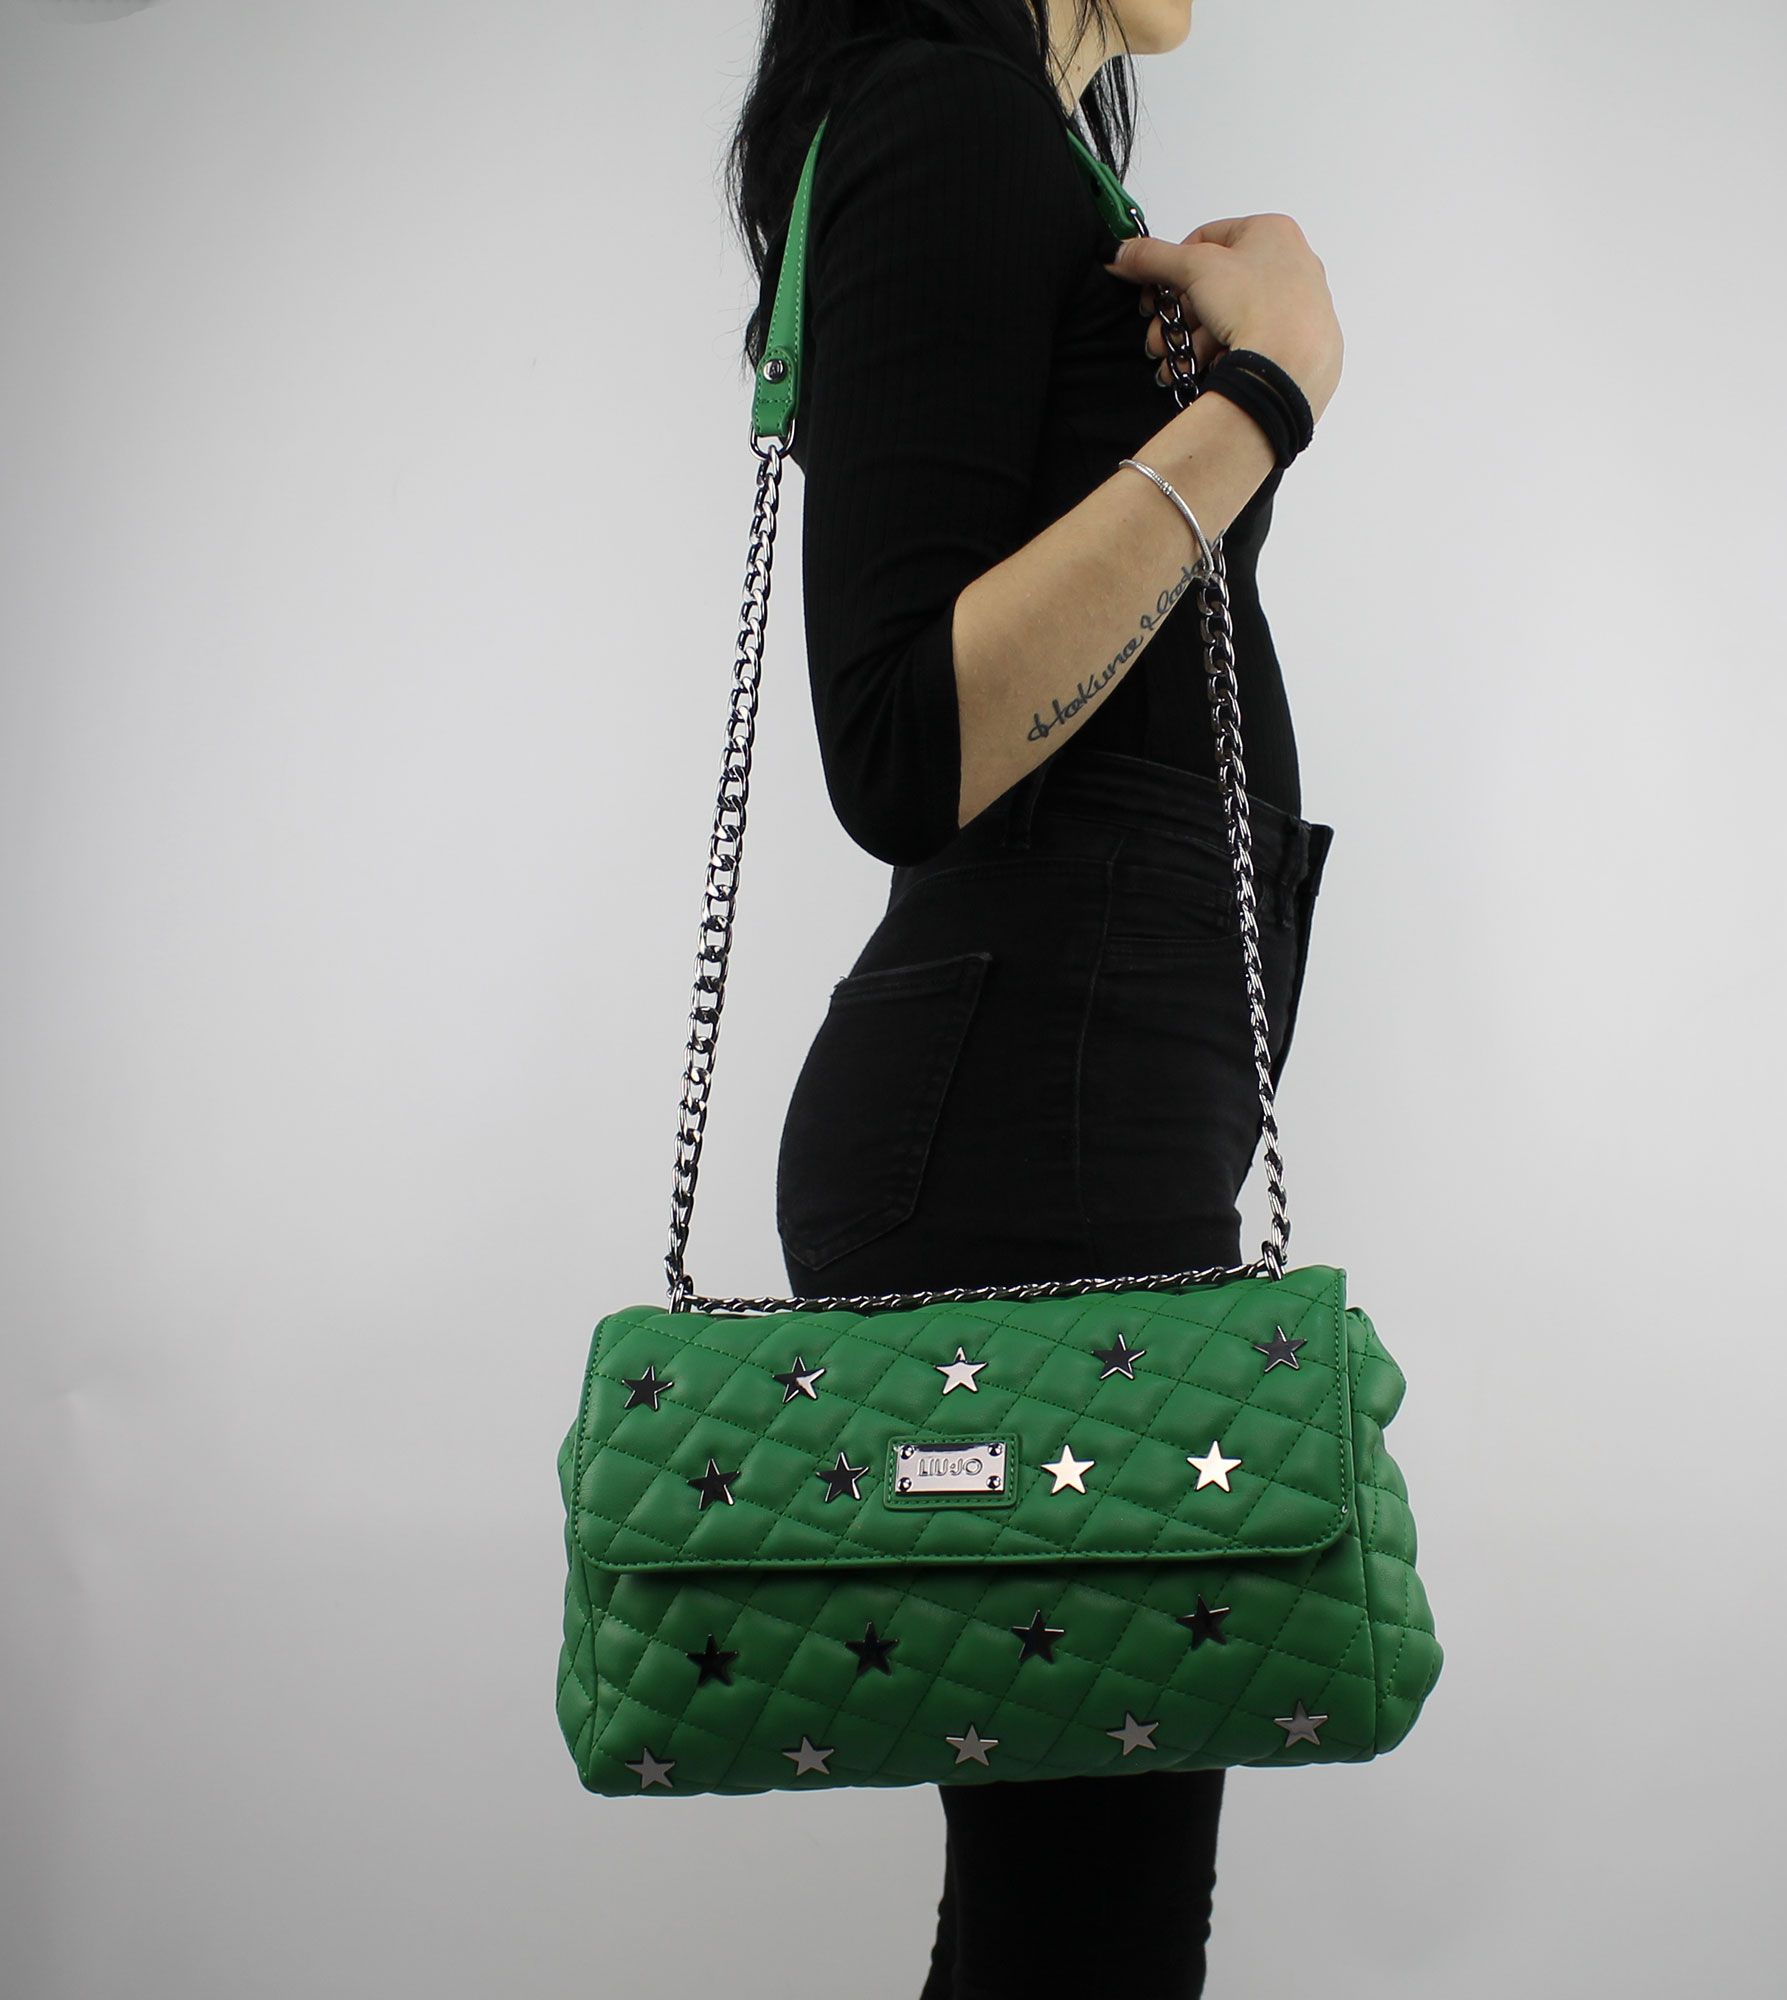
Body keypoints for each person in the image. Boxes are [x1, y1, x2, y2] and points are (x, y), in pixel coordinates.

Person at [726, 4, 1346, 1993]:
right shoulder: (947, 117)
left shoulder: (1032, 153)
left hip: (1059, 1107)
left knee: (1065, 1929)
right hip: (1026, 1122)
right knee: (1093, 1940)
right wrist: (1267, 394)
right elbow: (902, 744)